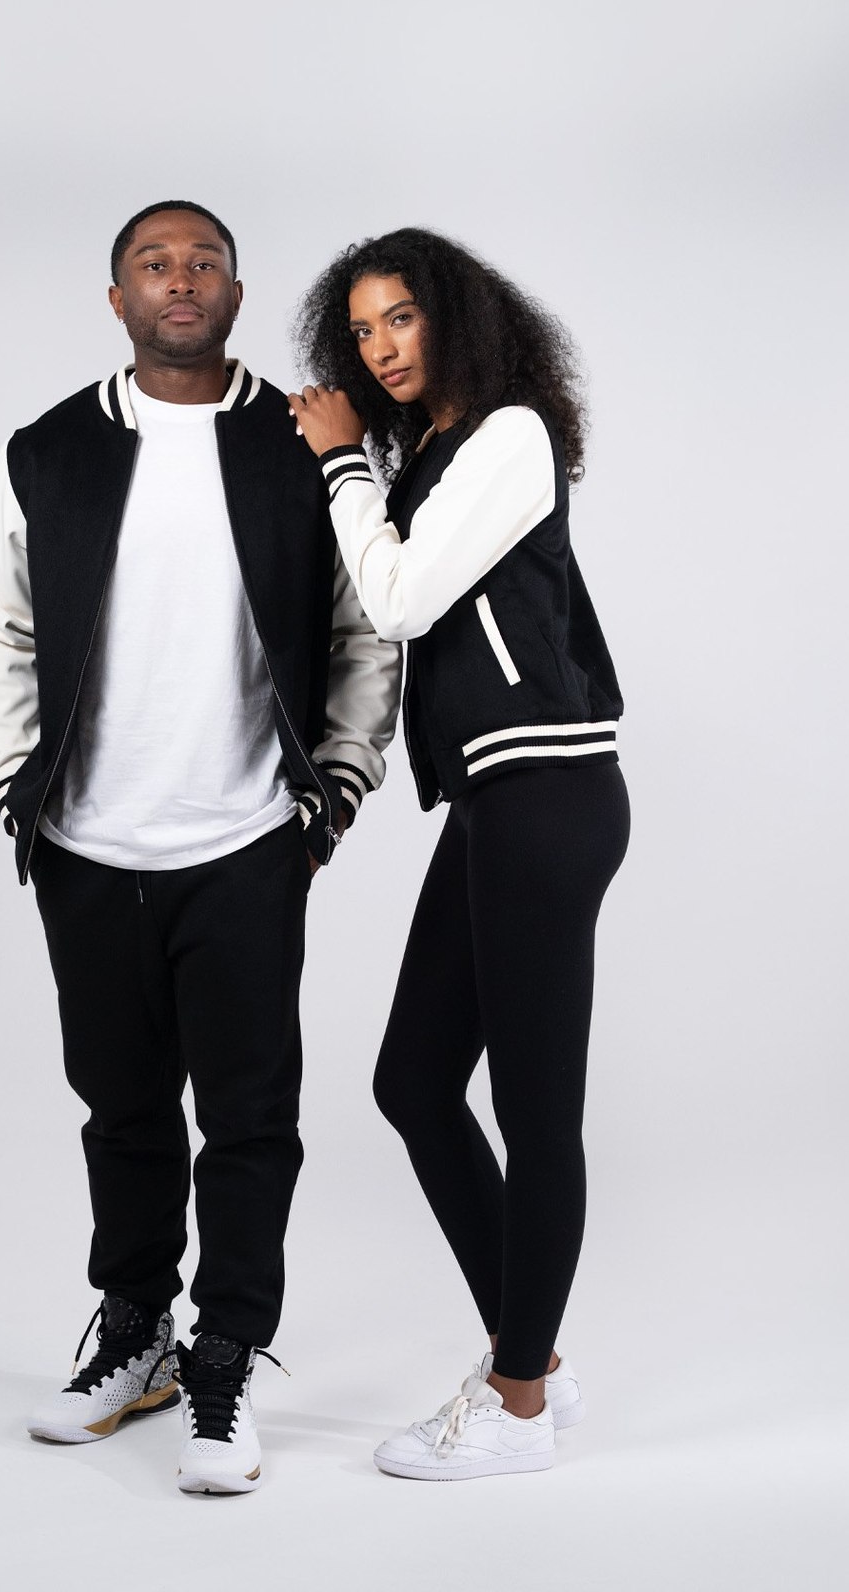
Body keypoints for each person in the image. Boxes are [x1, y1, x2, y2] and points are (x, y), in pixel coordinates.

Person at [0, 200, 400, 1495]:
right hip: (88, 843)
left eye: (203, 261)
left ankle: (225, 1357)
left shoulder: (300, 441)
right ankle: (136, 1335)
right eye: (153, 264)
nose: (179, 280)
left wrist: (335, 786)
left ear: (234, 292)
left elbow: (365, 624)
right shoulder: (47, 451)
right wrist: (16, 788)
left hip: (248, 838)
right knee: (122, 1108)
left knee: (250, 1116)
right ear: (117, 299)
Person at [289, 227, 629, 1481]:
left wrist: (338, 463)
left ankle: (518, 1404)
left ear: (455, 317)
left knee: (536, 1111)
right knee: (412, 1081)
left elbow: (399, 597)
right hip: (494, 798)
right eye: (360, 330)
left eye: (401, 318)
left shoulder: (509, 435)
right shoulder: (430, 455)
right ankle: (529, 1352)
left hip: (547, 790)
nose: (380, 347)